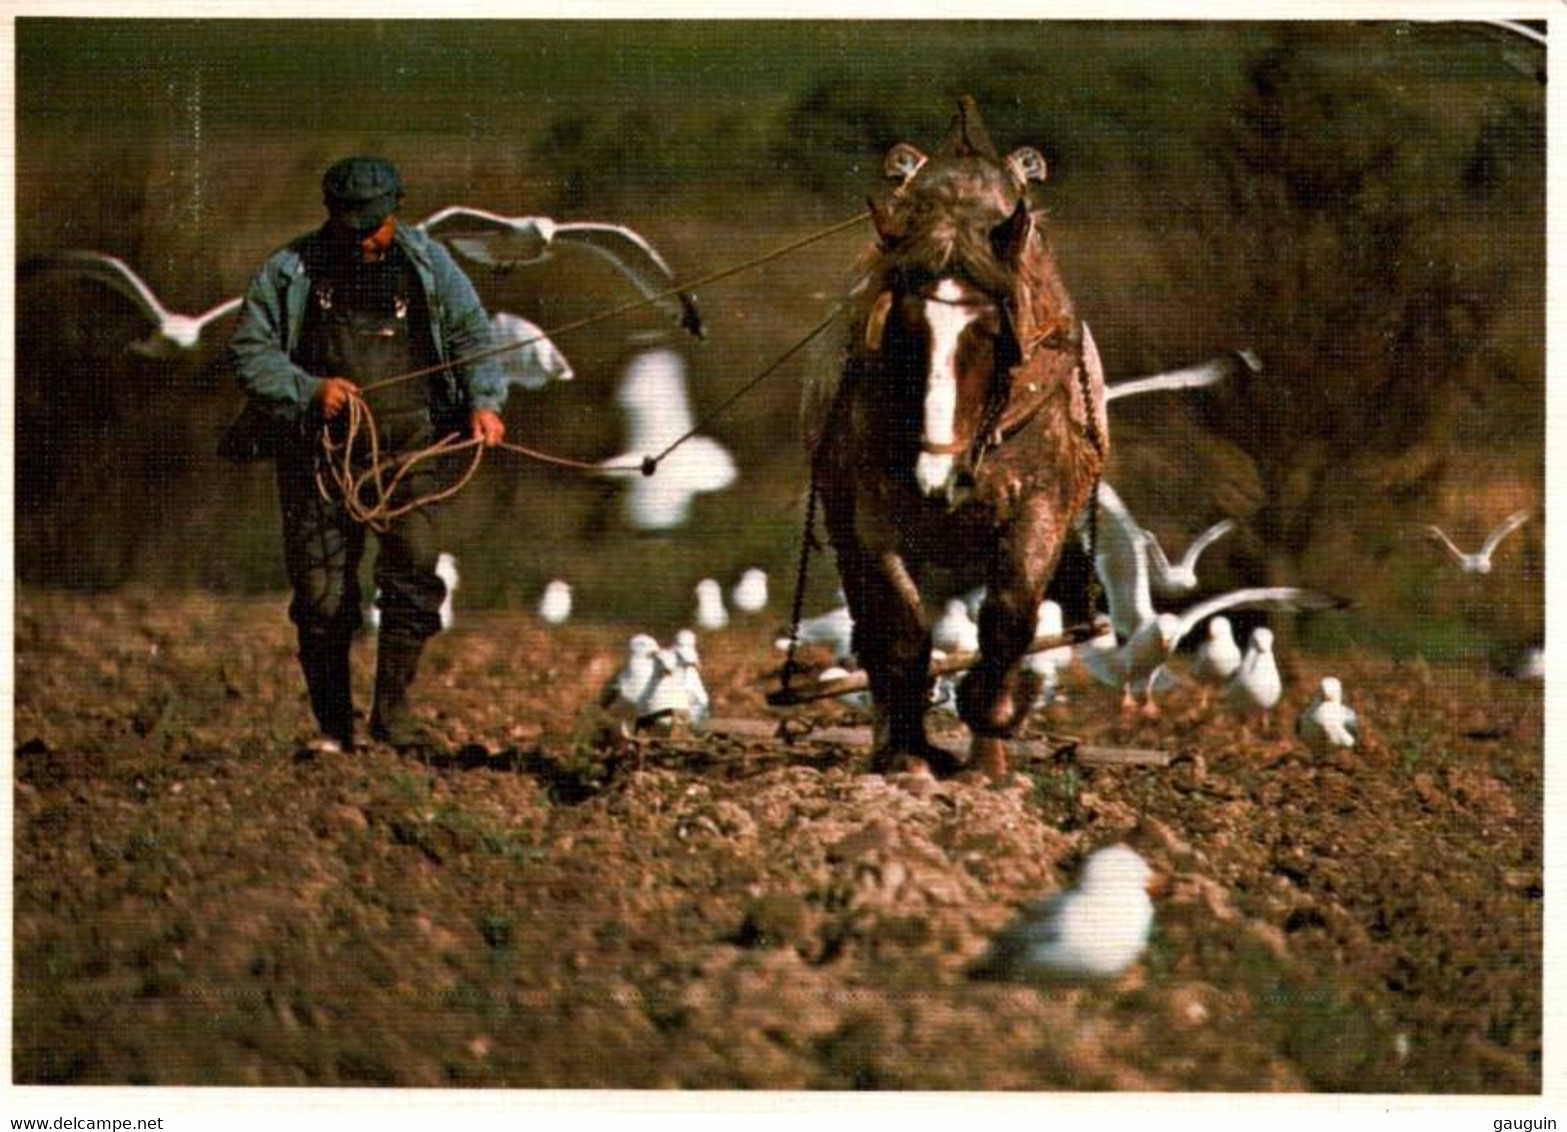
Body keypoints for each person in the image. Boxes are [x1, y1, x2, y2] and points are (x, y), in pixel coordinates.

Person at [228, 156, 508, 752]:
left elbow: (472, 336)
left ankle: (394, 718)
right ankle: (334, 729)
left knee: (413, 574)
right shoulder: (287, 273)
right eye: (351, 226)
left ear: (395, 213)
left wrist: (485, 400)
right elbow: (251, 351)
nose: (364, 238)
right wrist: (308, 390)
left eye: (374, 225)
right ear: (330, 215)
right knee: (322, 597)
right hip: (320, 458)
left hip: (412, 449)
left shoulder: (430, 266)